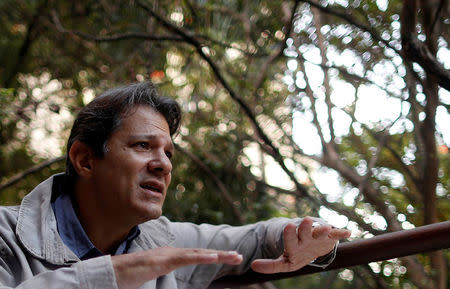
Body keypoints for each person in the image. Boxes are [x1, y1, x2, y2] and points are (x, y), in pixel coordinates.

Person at [0, 82, 350, 289]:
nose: (163, 164)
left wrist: (308, 235)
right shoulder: (6, 235)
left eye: (168, 153)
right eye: (142, 146)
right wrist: (113, 275)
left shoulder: (163, 241)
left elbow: (257, 238)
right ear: (85, 159)